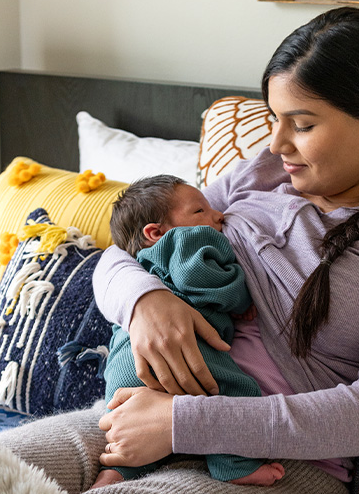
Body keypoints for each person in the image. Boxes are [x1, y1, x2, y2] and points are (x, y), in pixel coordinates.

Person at [0, 6, 359, 494]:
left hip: (278, 463)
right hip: (139, 415)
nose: (277, 142)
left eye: (302, 125)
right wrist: (145, 302)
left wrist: (184, 422)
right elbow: (125, 252)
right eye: (273, 119)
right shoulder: (264, 172)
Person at [92, 175, 284, 488]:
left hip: (124, 368)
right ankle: (235, 465)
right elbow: (202, 279)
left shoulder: (144, 262)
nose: (217, 215)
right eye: (200, 211)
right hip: (186, 354)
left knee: (133, 436)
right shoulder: (186, 240)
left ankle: (117, 472)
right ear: (155, 232)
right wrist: (241, 295)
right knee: (240, 392)